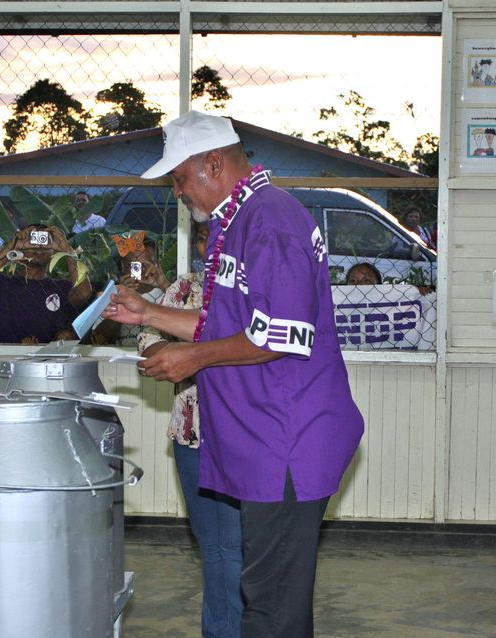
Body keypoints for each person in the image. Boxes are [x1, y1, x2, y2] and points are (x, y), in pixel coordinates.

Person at [102, 110, 363, 638]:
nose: (177, 193)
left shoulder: (270, 221)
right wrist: (149, 314)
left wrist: (191, 359)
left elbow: (284, 335)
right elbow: (230, 322)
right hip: (266, 436)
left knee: (271, 608)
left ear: (213, 164)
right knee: (267, 595)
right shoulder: (237, 219)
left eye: (178, 179)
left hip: (289, 439)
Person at [138, 220, 242, 638]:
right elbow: (150, 345)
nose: (209, 245)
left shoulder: (250, 291)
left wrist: (192, 353)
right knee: (212, 549)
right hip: (191, 436)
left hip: (240, 437)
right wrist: (199, 353)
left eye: (218, 237)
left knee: (236, 549)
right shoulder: (183, 289)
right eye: (202, 238)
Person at [0, 224, 91, 344]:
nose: (38, 247)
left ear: (53, 251)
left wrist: (66, 249)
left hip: (50, 358)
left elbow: (84, 293)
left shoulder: (62, 287)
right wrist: (12, 246)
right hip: (8, 355)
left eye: (44, 241)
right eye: (33, 240)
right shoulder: (4, 284)